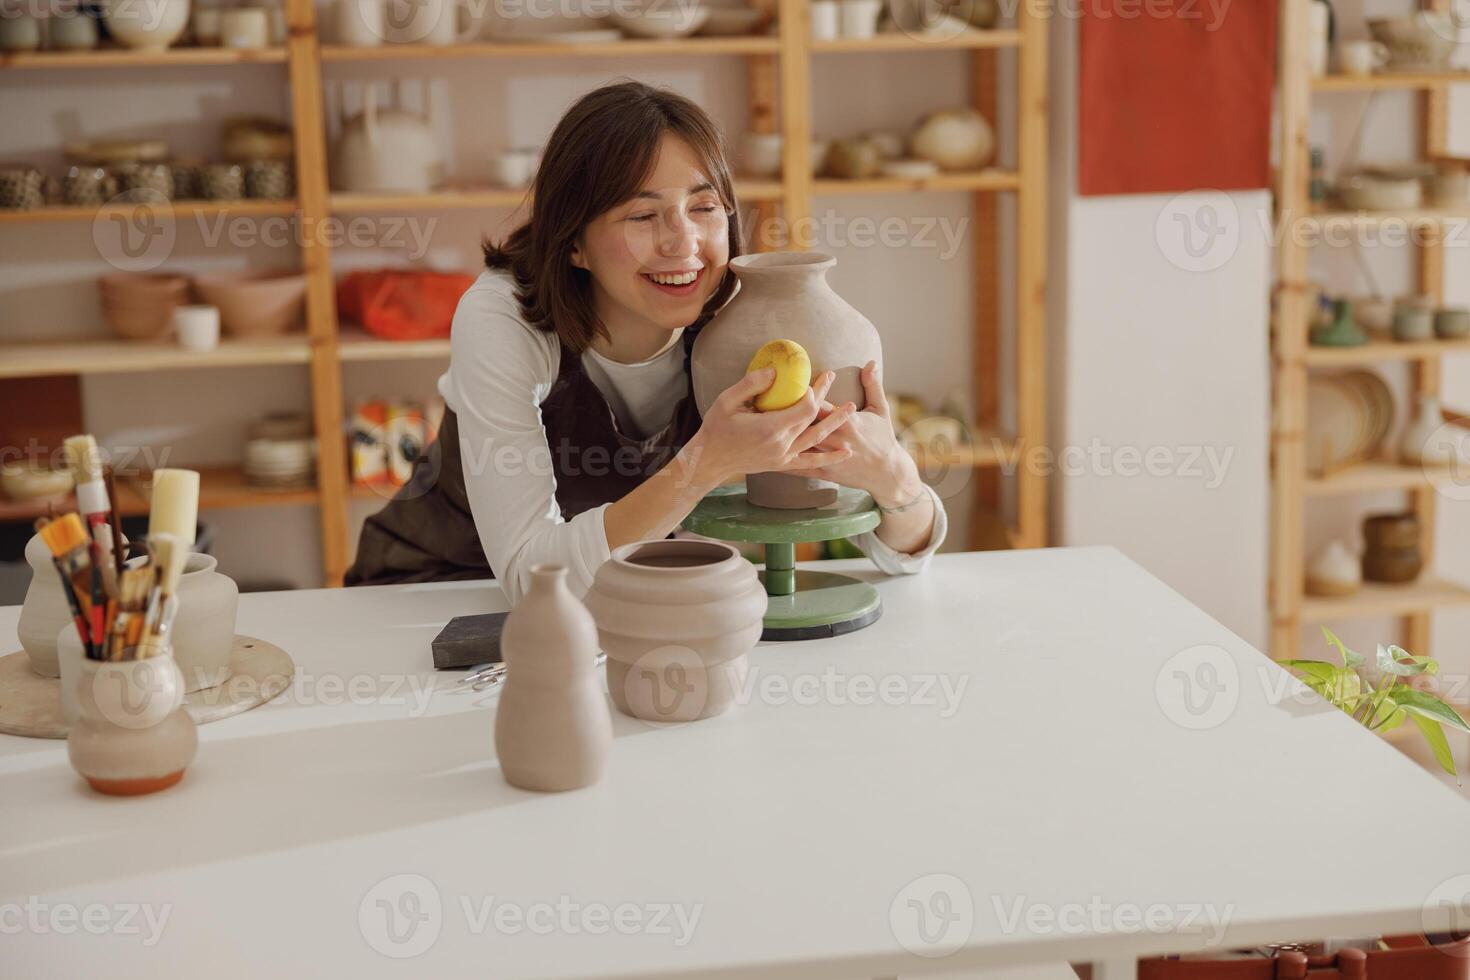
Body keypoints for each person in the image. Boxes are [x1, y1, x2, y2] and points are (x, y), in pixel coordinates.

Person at [346, 81, 946, 600]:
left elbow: (902, 558)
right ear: (572, 241)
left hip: (616, 598)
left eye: (705, 207)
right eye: (642, 215)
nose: (683, 243)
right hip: (436, 595)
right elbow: (529, 579)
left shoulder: (748, 325)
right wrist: (704, 465)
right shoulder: (502, 317)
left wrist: (891, 475)